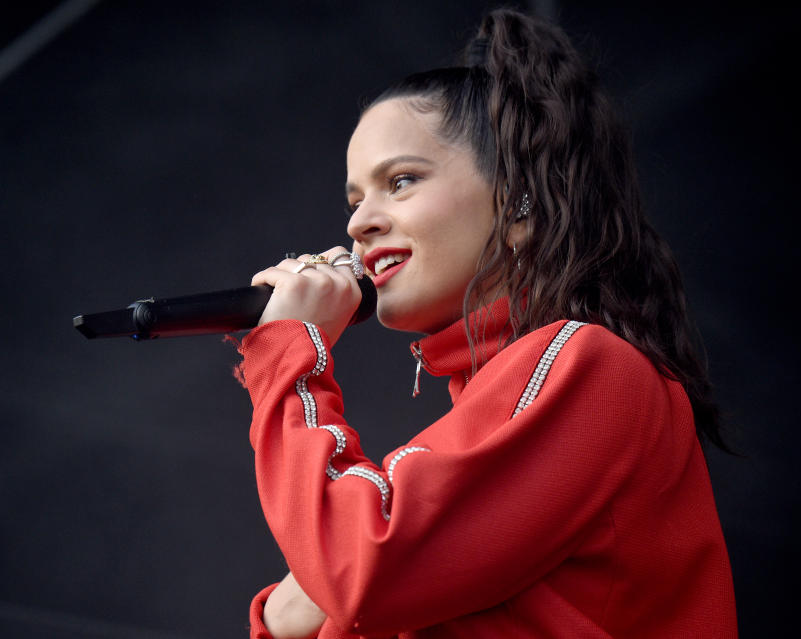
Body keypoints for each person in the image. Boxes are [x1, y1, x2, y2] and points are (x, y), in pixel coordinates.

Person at [234, 8, 736, 638]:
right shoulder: (482, 407)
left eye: (401, 180)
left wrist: (288, 357)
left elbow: (362, 570)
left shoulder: (586, 363)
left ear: (518, 198)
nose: (359, 224)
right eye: (355, 200)